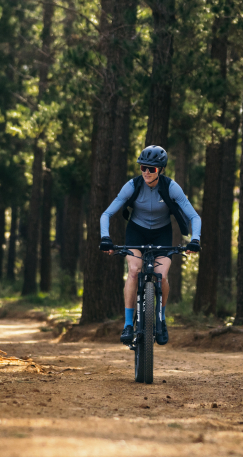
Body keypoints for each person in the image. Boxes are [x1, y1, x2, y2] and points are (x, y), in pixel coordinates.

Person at [100, 145, 201, 347]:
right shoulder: (132, 185)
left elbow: (194, 216)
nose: (146, 172)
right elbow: (106, 214)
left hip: (162, 234)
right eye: (143, 167)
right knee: (135, 270)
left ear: (161, 169)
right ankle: (129, 324)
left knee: (162, 275)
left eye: (152, 169)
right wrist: (105, 238)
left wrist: (195, 239)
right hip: (136, 231)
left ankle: (161, 320)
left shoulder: (171, 187)